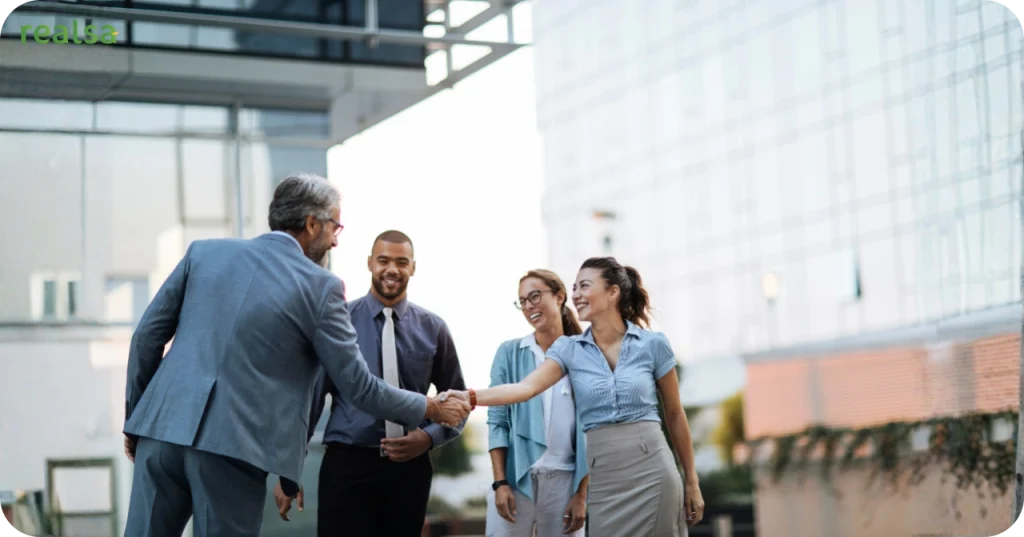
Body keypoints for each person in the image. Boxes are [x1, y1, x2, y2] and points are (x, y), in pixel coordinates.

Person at [121, 173, 468, 537]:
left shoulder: (204, 252)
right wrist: (431, 408)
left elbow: (146, 336)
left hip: (159, 433)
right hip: (233, 447)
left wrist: (137, 416)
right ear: (312, 223)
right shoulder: (321, 287)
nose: (335, 239)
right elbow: (360, 388)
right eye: (336, 227)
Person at [443, 257, 705, 537]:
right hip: (604, 477)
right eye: (574, 288)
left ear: (612, 292)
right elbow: (524, 389)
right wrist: (469, 396)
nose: (576, 295)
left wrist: (691, 480)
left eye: (584, 286)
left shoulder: (654, 344)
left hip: (654, 468)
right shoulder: (568, 349)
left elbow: (675, 415)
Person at [275, 230, 468, 537]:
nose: (392, 269)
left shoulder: (433, 329)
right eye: (384, 260)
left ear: (413, 267)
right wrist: (289, 470)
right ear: (369, 263)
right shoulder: (339, 322)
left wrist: (429, 438)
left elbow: (459, 405)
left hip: (410, 469)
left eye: (402, 262)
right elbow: (309, 401)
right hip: (347, 465)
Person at [486, 269, 589, 537]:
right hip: (515, 480)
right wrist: (500, 483)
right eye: (523, 301)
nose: (529, 306)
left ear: (559, 296)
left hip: (565, 483)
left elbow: (592, 428)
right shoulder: (509, 353)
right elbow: (497, 422)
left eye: (535, 296)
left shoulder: (585, 354)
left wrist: (582, 495)